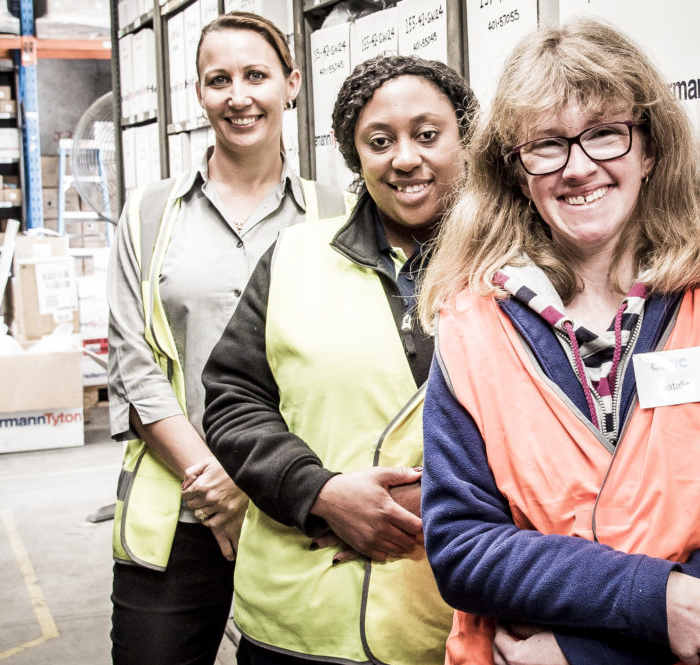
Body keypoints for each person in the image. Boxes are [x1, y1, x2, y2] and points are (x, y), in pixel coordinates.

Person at [418, 18, 700, 665]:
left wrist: (588, 650)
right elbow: (462, 546)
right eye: (546, 145)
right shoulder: (470, 323)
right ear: (515, 169)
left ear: (648, 148)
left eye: (604, 134)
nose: (578, 166)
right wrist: (649, 599)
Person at [200, 55, 478, 665]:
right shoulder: (295, 256)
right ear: (356, 159)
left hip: (452, 617)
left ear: (466, 137)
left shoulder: (516, 270)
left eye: (427, 135)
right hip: (300, 621)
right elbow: (232, 400)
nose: (405, 158)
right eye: (379, 142)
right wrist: (320, 493)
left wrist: (442, 502)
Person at [107, 12, 353, 665]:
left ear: (291, 84)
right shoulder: (151, 213)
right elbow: (134, 366)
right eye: (219, 79)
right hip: (176, 516)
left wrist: (255, 483)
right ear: (199, 93)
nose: (237, 95)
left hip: (294, 512)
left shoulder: (334, 214)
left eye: (255, 75)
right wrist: (215, 485)